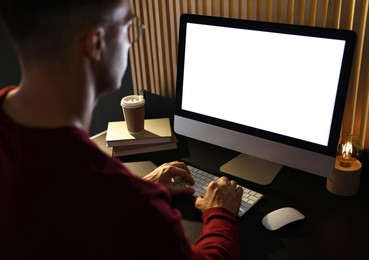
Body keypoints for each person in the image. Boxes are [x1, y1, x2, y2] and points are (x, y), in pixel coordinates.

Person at [0, 0, 244, 259]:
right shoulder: (132, 209)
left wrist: (140, 186)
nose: (131, 41)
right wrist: (221, 213)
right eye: (129, 26)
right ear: (97, 42)